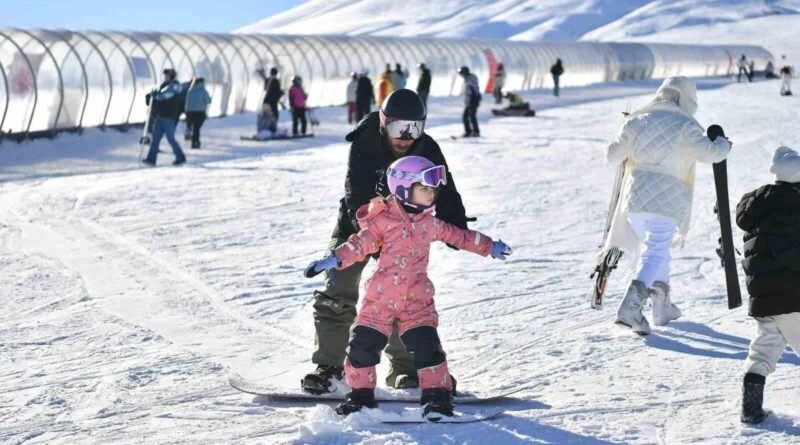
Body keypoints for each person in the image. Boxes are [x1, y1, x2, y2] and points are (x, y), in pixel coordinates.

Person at [304, 156, 512, 418]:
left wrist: (489, 246)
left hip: (417, 300)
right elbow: (359, 244)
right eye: (424, 188)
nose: (431, 194)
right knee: (361, 348)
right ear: (403, 188)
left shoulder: (429, 223)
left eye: (433, 189)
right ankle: (360, 396)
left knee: (428, 349)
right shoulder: (382, 221)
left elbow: (460, 236)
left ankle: (436, 397)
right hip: (379, 300)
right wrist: (334, 258)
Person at [301, 89, 474, 395]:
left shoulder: (427, 148)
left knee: (402, 295)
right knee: (337, 287)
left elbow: (445, 189)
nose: (406, 137)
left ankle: (406, 372)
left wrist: (456, 227)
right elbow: (356, 192)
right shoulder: (365, 142)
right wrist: (373, 238)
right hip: (357, 226)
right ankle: (329, 368)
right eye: (398, 128)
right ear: (384, 123)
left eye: (414, 128)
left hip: (404, 230)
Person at [604, 76, 732, 335]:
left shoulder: (637, 120)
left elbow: (612, 155)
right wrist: (723, 145)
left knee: (656, 251)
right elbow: (710, 154)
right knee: (655, 252)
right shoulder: (686, 124)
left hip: (635, 200)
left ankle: (662, 307)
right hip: (666, 201)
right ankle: (630, 306)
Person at [734, 146, 800, 424]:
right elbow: (791, 255)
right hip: (792, 298)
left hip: (764, 298)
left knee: (763, 351)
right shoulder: (791, 208)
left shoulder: (760, 207)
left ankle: (751, 410)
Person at [142, 68, 186, 166]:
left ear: (171, 77)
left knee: (170, 138)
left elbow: (165, 96)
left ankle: (180, 157)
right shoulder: (165, 86)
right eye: (165, 76)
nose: (165, 77)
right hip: (160, 116)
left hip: (169, 117)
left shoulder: (174, 87)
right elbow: (159, 96)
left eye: (167, 76)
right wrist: (153, 95)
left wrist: (156, 96)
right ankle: (151, 159)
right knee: (156, 138)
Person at [184, 77, 211, 149]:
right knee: (197, 128)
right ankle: (195, 142)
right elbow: (208, 101)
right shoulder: (203, 90)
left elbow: (187, 102)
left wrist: (186, 112)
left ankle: (195, 141)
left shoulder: (190, 90)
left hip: (190, 112)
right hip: (200, 112)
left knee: (195, 128)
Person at [458, 66, 481, 137]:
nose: (461, 75)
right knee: (468, 116)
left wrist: (471, 101)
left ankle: (474, 132)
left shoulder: (471, 79)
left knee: (471, 116)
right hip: (471, 100)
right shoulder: (468, 79)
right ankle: (470, 131)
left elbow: (472, 91)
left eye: (462, 73)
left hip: (473, 100)